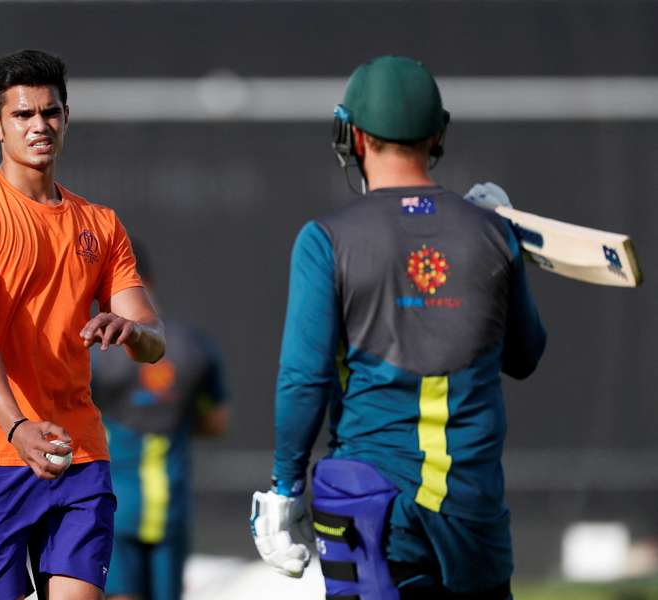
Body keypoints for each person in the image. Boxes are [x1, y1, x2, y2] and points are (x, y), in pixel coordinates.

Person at [250, 55, 546, 599]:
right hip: (472, 511)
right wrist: (506, 240)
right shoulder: (491, 234)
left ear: (355, 135)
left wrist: (285, 487)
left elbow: (304, 378)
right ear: (437, 134)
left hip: (372, 505)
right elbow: (525, 355)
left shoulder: (326, 239)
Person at [0, 49, 165, 600]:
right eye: (22, 115)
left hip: (77, 454)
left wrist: (133, 333)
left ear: (66, 117)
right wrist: (15, 427)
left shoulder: (99, 224)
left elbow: (153, 341)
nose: (39, 126)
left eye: (50, 113)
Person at [90, 241, 229, 600]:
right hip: (171, 510)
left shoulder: (93, 355)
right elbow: (216, 422)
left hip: (113, 509)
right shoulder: (195, 348)